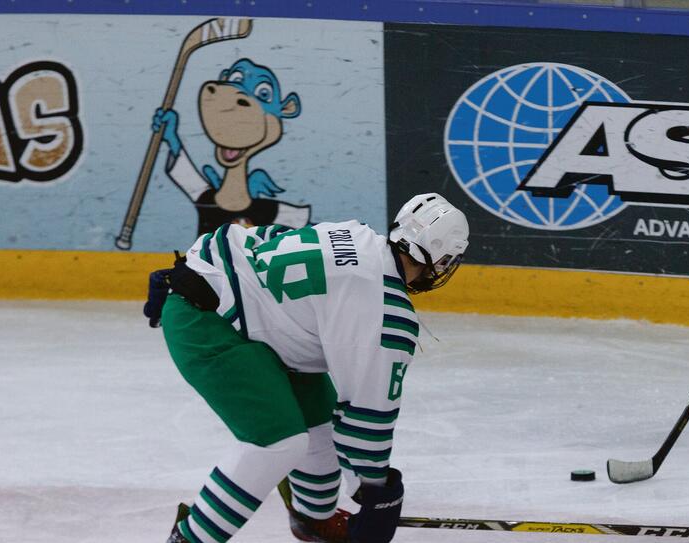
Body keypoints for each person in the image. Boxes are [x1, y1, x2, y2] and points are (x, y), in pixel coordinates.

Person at [145, 193, 469, 542]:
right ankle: (189, 538)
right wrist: (375, 492)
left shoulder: (354, 233)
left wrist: (195, 270)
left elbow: (264, 240)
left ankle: (313, 520)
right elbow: (367, 417)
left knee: (320, 425)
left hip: (241, 312)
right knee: (276, 442)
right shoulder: (388, 315)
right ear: (441, 259)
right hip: (210, 323)